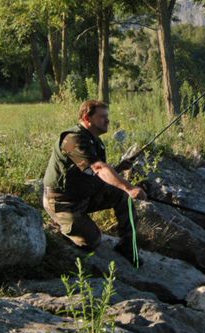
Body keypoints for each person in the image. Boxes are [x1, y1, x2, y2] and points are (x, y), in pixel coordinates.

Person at [42, 99, 146, 258]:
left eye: (107, 116)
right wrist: (130, 188)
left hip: (84, 196)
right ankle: (61, 229)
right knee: (93, 241)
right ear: (87, 118)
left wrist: (119, 169)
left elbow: (90, 172)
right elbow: (98, 168)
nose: (108, 120)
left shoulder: (94, 140)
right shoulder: (71, 140)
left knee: (122, 196)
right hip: (63, 203)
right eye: (102, 116)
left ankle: (127, 244)